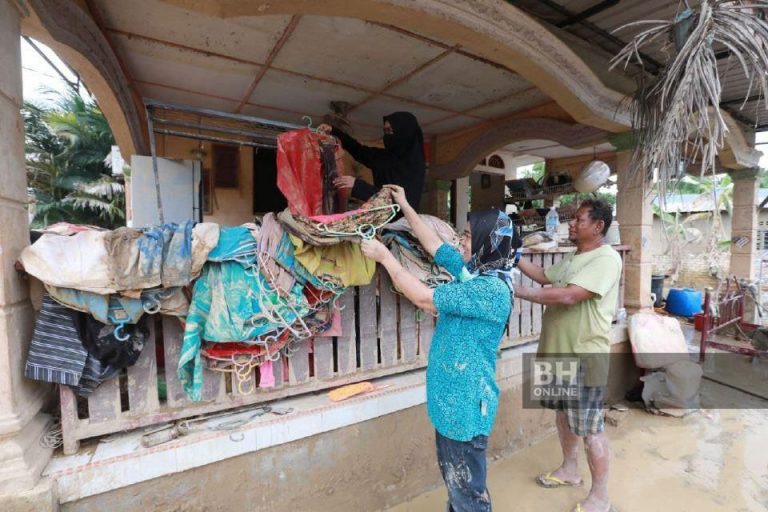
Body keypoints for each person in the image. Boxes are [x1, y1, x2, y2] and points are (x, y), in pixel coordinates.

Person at [360, 184, 519, 512]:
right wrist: (405, 203)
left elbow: (423, 298)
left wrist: (385, 257)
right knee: (457, 489)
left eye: (466, 235)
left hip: (465, 410)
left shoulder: (490, 291)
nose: (459, 240)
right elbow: (434, 246)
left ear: (488, 243)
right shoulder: (473, 274)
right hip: (453, 404)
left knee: (467, 497)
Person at [514, 199, 622, 512]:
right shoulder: (577, 257)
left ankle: (600, 497)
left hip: (583, 356)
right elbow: (545, 277)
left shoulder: (606, 259)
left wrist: (514, 290)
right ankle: (570, 470)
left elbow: (569, 295)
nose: (571, 224)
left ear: (598, 226)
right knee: (563, 415)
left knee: (591, 429)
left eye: (578, 219)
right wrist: (514, 257)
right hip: (556, 351)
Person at [317, 112, 426, 210]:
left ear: (404, 132)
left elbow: (401, 202)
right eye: (385, 131)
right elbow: (357, 149)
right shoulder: (384, 157)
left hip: (402, 222)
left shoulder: (414, 166)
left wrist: (357, 185)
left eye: (390, 130)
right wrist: (333, 130)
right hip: (380, 214)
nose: (386, 135)